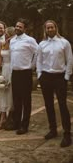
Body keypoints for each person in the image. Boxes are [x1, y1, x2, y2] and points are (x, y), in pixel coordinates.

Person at [37, 20, 73, 148]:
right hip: (46, 77)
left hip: (60, 77)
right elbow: (39, 61)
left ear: (56, 28)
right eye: (48, 28)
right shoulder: (42, 44)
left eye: (52, 27)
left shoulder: (64, 43)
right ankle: (53, 130)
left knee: (63, 105)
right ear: (45, 30)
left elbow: (70, 60)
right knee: (49, 104)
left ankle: (67, 134)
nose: (50, 29)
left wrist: (66, 76)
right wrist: (39, 75)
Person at [10, 18, 38, 135]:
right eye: (16, 26)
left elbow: (38, 53)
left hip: (25, 73)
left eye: (20, 27)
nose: (17, 28)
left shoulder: (30, 40)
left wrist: (32, 65)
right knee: (16, 100)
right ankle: (16, 122)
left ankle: (24, 125)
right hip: (15, 73)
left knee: (26, 100)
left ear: (25, 29)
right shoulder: (12, 40)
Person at [0, 26, 15, 129]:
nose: (6, 35)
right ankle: (2, 118)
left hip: (12, 70)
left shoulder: (14, 44)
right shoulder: (1, 43)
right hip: (4, 69)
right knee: (3, 92)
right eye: (6, 34)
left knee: (11, 93)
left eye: (8, 34)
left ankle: (10, 117)